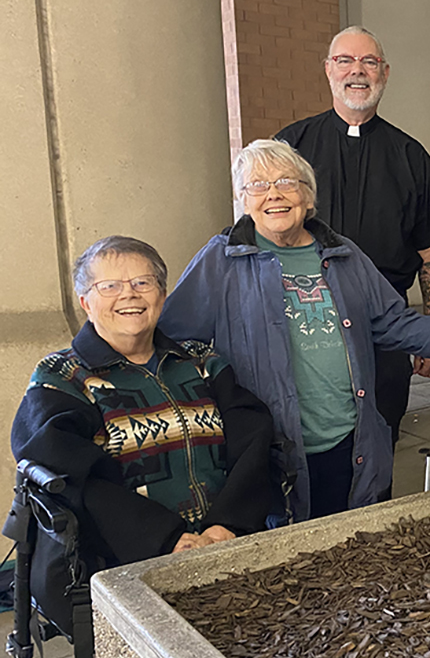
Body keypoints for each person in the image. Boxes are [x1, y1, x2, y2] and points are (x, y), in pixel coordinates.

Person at [159, 139, 430, 523]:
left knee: (352, 549)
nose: (274, 194)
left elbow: (395, 323)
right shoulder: (221, 260)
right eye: (258, 185)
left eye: (287, 181)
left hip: (351, 444)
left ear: (308, 196)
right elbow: (173, 345)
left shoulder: (344, 254)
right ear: (243, 199)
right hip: (269, 454)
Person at [11, 236, 273, 631]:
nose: (128, 295)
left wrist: (227, 525)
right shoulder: (62, 377)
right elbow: (72, 476)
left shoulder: (200, 360)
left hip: (224, 543)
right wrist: (167, 539)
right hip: (125, 562)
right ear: (86, 301)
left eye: (142, 283)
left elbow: (252, 438)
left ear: (162, 296)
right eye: (110, 286)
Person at [276, 26, 430, 453]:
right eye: (345, 60)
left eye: (369, 62)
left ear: (385, 73)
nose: (357, 71)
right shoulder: (290, 148)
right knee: (303, 442)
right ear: (328, 70)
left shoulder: (409, 155)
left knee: (380, 437)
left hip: (385, 325)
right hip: (303, 321)